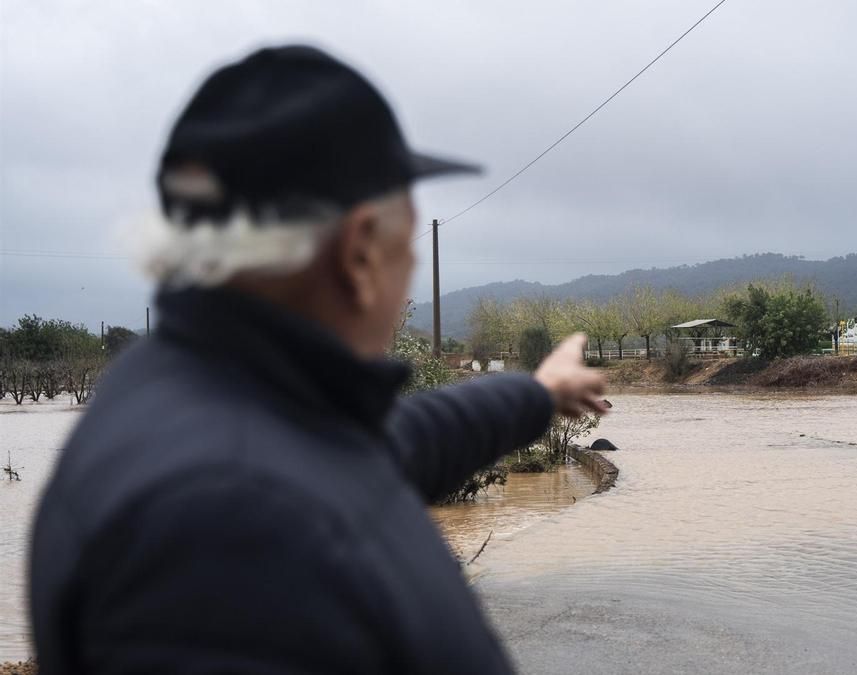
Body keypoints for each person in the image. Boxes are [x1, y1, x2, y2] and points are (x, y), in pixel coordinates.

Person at [30, 44, 607, 674]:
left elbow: (405, 441)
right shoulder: (230, 525)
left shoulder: (221, 401)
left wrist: (541, 392)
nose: (406, 277)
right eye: (405, 252)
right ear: (359, 254)